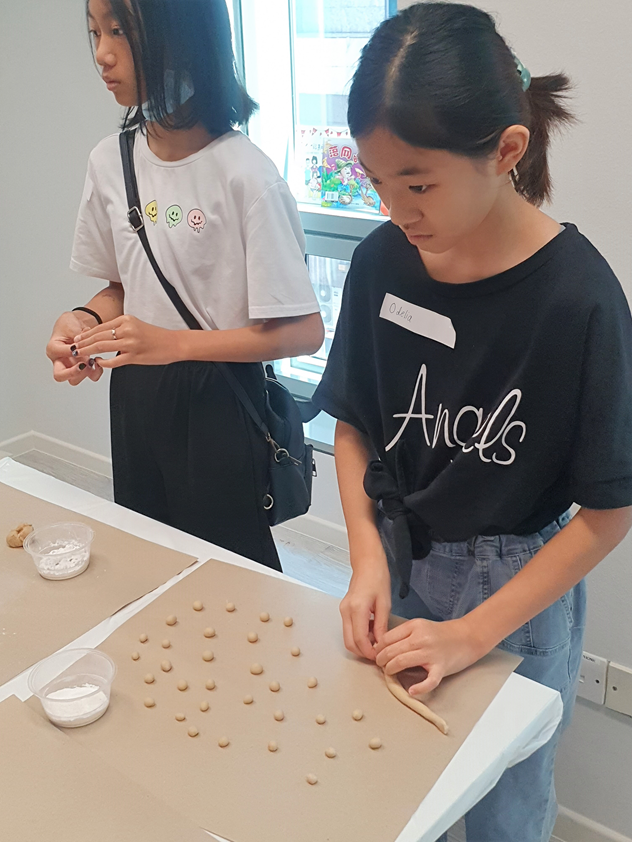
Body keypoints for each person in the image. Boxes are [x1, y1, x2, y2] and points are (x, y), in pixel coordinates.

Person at [312, 3, 632, 840]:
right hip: (403, 556)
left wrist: (469, 636)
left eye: (416, 183)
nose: (395, 208)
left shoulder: (580, 299)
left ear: (506, 151)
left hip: (515, 596)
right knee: (399, 790)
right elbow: (353, 420)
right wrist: (363, 557)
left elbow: (607, 515)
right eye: (376, 181)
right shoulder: (385, 260)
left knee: (505, 811)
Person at [46, 0, 324, 571]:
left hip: (220, 400)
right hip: (136, 399)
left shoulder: (246, 174)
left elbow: (302, 331)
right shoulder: (109, 161)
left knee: (231, 576)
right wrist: (86, 322)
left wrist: (173, 346)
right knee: (150, 560)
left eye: (119, 31)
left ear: (181, 36)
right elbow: (121, 286)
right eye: (95, 31)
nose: (101, 53)